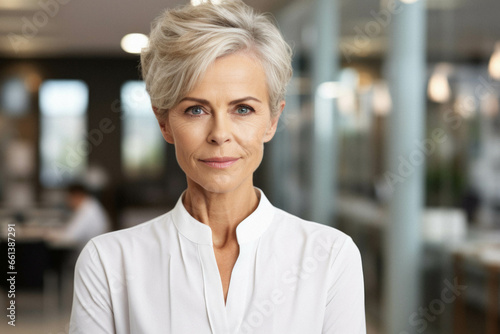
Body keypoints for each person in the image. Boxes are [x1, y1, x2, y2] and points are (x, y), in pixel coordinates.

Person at [69, 1, 365, 333]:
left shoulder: (330, 257)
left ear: (272, 120)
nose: (220, 135)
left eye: (243, 109)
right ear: (164, 122)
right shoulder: (108, 263)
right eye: (196, 110)